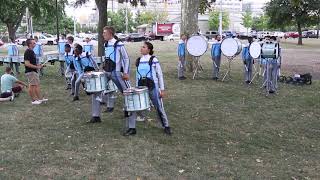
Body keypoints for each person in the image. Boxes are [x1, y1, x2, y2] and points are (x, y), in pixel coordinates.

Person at [124, 42, 171, 136]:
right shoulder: (138, 60)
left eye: (144, 47)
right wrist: (136, 88)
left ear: (149, 50)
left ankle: (166, 126)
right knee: (133, 106)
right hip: (141, 88)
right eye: (141, 47)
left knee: (159, 107)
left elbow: (160, 75)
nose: (141, 48)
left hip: (153, 87)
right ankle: (132, 128)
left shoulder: (154, 60)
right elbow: (137, 76)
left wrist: (162, 89)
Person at [88, 26, 133, 123]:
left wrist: (125, 72)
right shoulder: (106, 44)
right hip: (106, 71)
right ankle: (96, 116)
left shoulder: (119, 44)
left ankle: (128, 110)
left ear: (110, 34)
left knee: (126, 92)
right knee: (96, 90)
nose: (103, 34)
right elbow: (107, 57)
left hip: (116, 72)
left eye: (105, 33)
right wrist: (102, 66)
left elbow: (126, 58)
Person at [24, 38, 48, 105]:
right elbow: (27, 63)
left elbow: (32, 63)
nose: (35, 44)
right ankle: (34, 100)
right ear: (30, 44)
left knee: (36, 85)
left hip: (33, 71)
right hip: (31, 71)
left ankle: (39, 99)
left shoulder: (31, 51)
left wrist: (39, 65)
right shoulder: (28, 51)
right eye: (34, 43)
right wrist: (37, 67)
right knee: (32, 86)